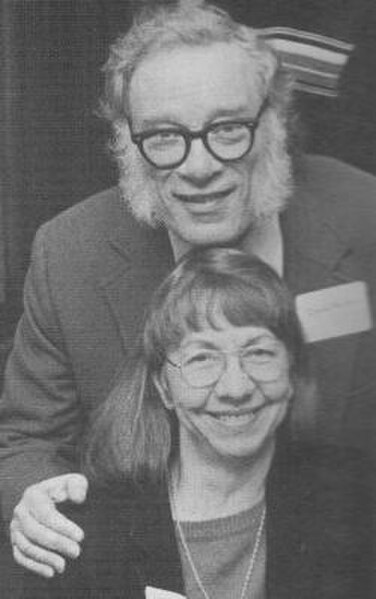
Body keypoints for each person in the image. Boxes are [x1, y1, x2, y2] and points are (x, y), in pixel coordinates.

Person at [2, 0, 376, 585]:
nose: (199, 166)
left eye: (228, 129)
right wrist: (33, 499)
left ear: (273, 123)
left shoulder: (363, 219)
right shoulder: (71, 254)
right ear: (128, 143)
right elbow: (23, 438)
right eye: (166, 136)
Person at [21, 248, 373, 598]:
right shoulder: (86, 530)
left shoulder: (357, 499)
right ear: (164, 387)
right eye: (202, 358)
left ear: (292, 372)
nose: (236, 388)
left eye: (259, 353)